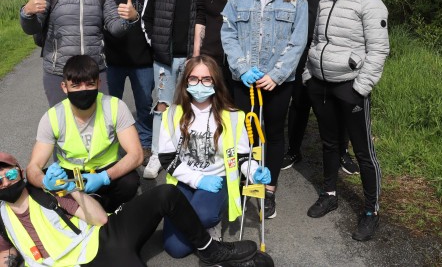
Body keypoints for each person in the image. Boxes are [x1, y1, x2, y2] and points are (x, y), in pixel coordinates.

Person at [0, 152, 259, 267]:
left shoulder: (45, 193)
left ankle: (210, 250)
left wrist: (70, 189)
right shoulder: (2, 218)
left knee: (166, 193)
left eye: (9, 173)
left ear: (20, 172)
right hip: (78, 264)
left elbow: (101, 219)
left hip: (101, 240)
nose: (6, 181)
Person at [302, 0, 389, 241]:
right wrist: (308, 74)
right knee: (329, 143)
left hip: (350, 86)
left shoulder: (370, 2)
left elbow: (379, 50)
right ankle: (329, 193)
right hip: (320, 83)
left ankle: (370, 211)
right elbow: (316, 38)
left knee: (364, 152)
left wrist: (360, 87)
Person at [221, 0, 308, 219]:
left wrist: (277, 74)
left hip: (277, 82)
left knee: (272, 133)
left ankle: (269, 189)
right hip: (244, 80)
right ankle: (248, 181)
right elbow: (229, 33)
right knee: (246, 133)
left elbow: (298, 40)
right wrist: (242, 67)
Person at [158, 55, 271, 258]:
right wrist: (198, 180)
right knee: (175, 249)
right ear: (185, 82)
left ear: (216, 82)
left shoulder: (234, 116)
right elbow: (166, 158)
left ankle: (212, 222)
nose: (199, 84)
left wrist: (255, 171)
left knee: (203, 216)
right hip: (184, 179)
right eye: (193, 78)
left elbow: (242, 157)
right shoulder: (172, 113)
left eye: (206, 79)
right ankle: (201, 232)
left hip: (217, 181)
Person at [20, 0, 139, 107]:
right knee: (63, 126)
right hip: (58, 71)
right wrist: (27, 13)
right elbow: (33, 28)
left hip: (95, 70)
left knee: (101, 125)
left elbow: (115, 28)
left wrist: (130, 18)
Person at [282, 0, 359, 175]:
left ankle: (343, 153)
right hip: (304, 53)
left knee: (341, 106)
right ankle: (293, 149)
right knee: (299, 105)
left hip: (339, 54)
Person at [26, 55, 143, 213]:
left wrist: (104, 177)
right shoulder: (52, 117)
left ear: (99, 84)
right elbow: (33, 167)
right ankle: (78, 212)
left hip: (105, 171)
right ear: (64, 87)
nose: (83, 90)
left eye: (89, 84)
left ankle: (112, 212)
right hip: (70, 176)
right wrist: (45, 182)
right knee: (32, 187)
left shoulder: (116, 107)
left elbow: (136, 155)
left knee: (129, 181)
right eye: (76, 85)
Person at [141, 0, 203, 179]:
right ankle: (157, 153)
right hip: (164, 60)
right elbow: (146, 18)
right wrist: (156, 47)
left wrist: (196, 54)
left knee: (188, 106)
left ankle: (182, 152)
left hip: (190, 58)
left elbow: (203, 17)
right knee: (163, 106)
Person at [104, 0, 154, 166]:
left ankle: (145, 143)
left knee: (144, 105)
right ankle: (110, 146)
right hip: (112, 60)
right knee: (110, 106)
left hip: (143, 60)